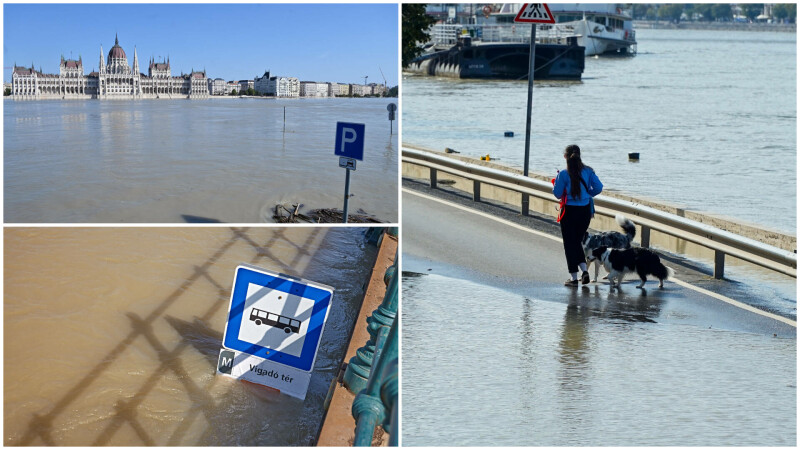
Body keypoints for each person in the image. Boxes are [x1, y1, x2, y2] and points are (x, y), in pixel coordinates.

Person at [552, 144, 603, 286]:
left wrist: (555, 183)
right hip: (585, 211)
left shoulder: (563, 174)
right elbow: (599, 187)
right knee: (577, 241)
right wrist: (587, 194)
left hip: (569, 211)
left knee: (570, 243)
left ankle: (574, 278)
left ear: (565, 156)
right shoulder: (588, 171)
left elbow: (557, 194)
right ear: (580, 155)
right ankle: (584, 271)